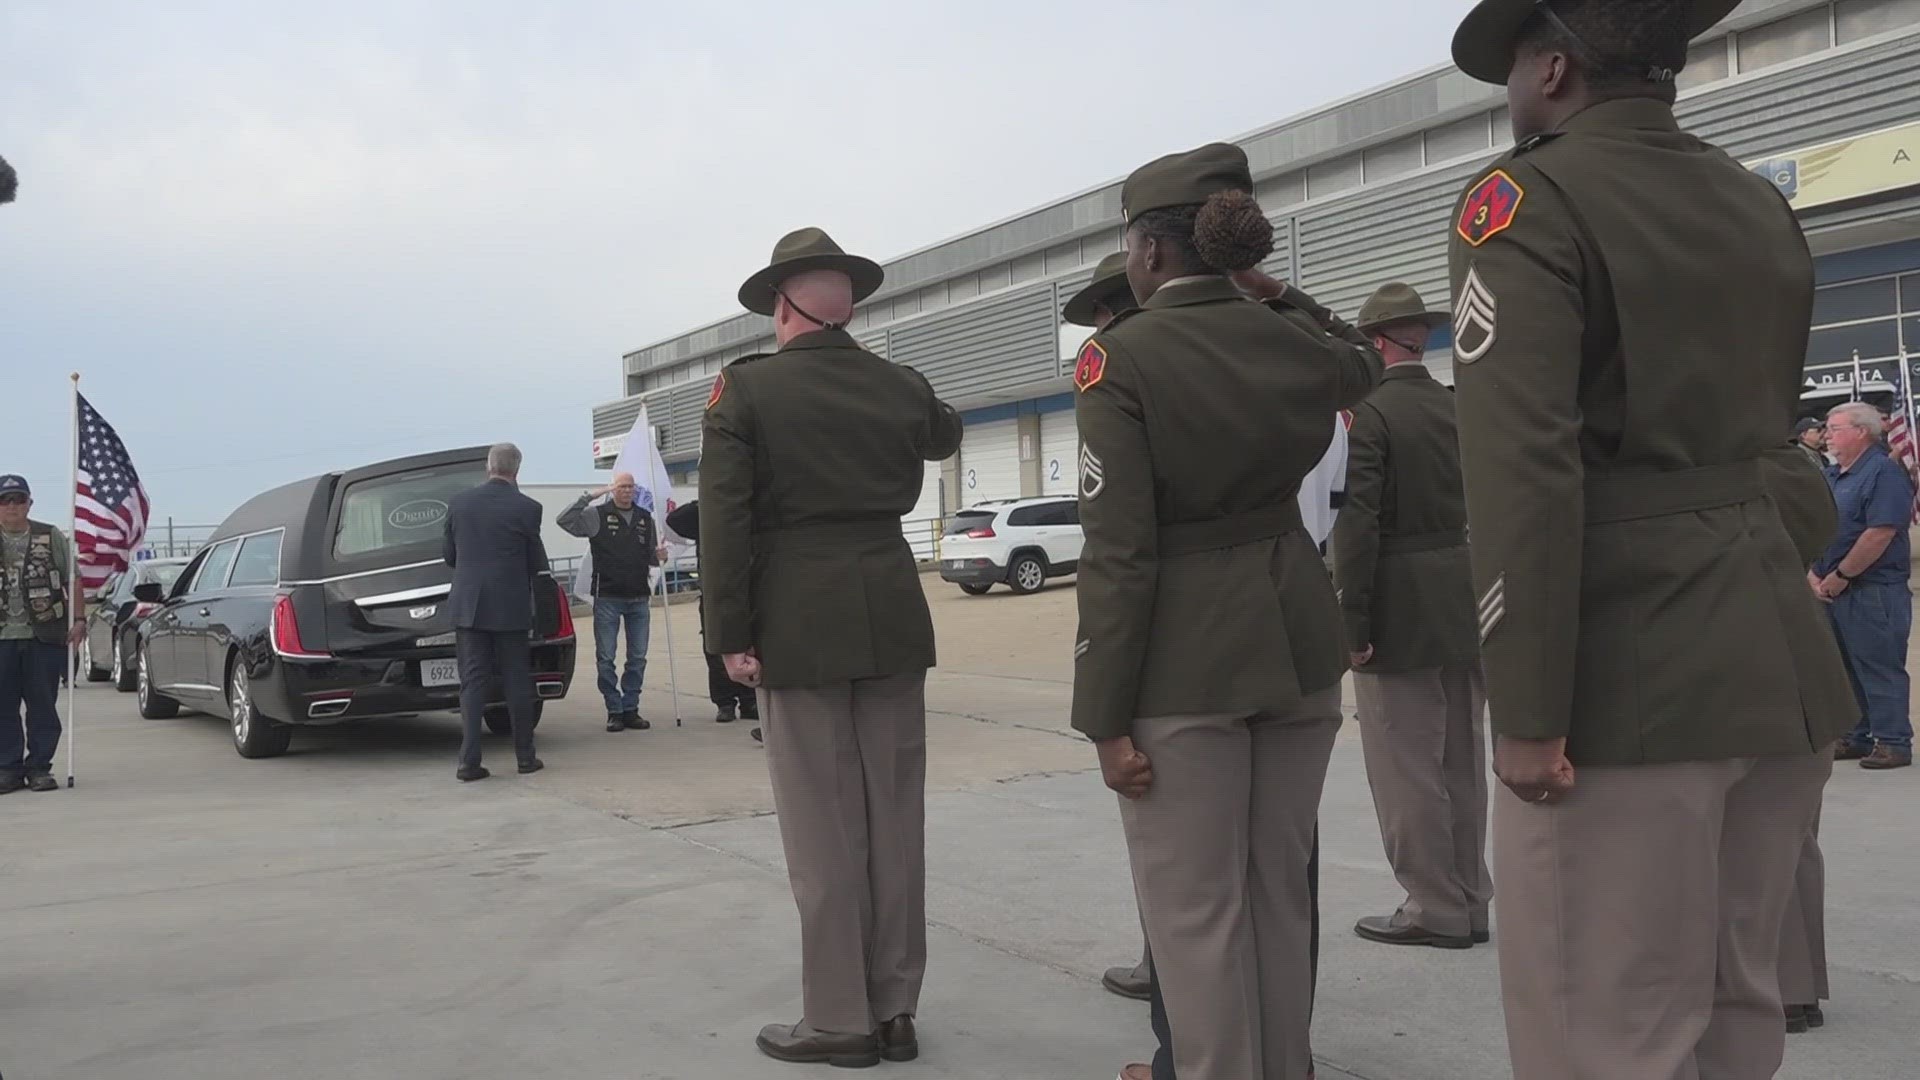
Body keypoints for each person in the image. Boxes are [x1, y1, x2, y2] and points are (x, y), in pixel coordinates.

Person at [1445, 2, 1857, 1078]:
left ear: (1554, 65)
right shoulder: (1753, 200)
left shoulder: (1527, 200)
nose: (1512, 96)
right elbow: (1785, 446)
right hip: (1777, 662)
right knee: (1735, 1017)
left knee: (1602, 1036)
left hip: (1625, 681)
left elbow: (1522, 469)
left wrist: (1529, 710)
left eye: (1514, 73)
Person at [1074, 142, 1379, 1080]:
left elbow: (1120, 554)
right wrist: (1276, 292)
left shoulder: (1118, 360)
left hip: (1184, 659)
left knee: (1197, 914)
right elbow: (1366, 362)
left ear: (1152, 252)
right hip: (1295, 640)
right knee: (1280, 896)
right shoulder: (1292, 342)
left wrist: (1105, 716)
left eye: (1129, 244)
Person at [700, 227, 963, 1068]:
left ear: (784, 307)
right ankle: (894, 1008)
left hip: (797, 619)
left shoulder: (744, 393)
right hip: (889, 608)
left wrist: (729, 636)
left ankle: (838, 1019)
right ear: (845, 305)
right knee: (895, 820)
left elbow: (725, 521)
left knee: (822, 831)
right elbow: (946, 433)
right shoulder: (898, 383)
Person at [1335, 283, 1488, 951]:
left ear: (1372, 343)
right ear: (1416, 337)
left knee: (1406, 768)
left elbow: (1358, 525)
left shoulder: (1370, 414)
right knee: (1460, 760)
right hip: (1460, 596)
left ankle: (1432, 904)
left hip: (1397, 606)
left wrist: (1354, 622)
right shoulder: (1455, 407)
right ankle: (1471, 898)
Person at [1814, 401, 1914, 770]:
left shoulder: (1883, 474)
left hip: (1872, 590)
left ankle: (1892, 741)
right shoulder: (1834, 475)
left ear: (1861, 432)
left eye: (1835, 428)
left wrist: (1841, 576)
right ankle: (1856, 735)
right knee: (1844, 669)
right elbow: (1819, 523)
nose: (1828, 435)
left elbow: (1879, 533)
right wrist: (1814, 571)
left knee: (1879, 666)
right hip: (1831, 590)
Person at [442, 443, 549, 782]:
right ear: (517, 470)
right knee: (517, 682)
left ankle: (468, 762)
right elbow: (535, 563)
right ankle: (525, 757)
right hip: (510, 606)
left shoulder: (459, 504)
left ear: (488, 466)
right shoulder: (529, 508)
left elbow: (449, 556)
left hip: (470, 606)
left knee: (473, 684)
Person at [558, 472, 666, 733]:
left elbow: (651, 558)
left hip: (639, 597)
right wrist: (590, 495)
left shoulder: (644, 518)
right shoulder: (597, 515)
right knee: (606, 657)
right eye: (621, 487)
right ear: (612, 489)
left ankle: (631, 708)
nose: (627, 491)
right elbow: (564, 520)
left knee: (637, 657)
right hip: (607, 597)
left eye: (630, 487)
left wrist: (659, 556)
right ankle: (614, 709)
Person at [1, 474, 87, 795]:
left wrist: (79, 619)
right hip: (2, 641)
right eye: (5, 500)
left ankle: (39, 767)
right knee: (3, 707)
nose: (12, 506)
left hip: (45, 636)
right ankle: (7, 769)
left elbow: (73, 579)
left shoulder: (50, 536)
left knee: (42, 706)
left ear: (29, 503)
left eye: (18, 499)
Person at [664, 493, 760, 737]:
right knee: (716, 648)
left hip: (749, 589)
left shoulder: (746, 516)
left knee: (751, 647)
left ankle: (750, 700)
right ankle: (725, 703)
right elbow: (675, 519)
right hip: (714, 593)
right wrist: (707, 500)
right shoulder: (705, 520)